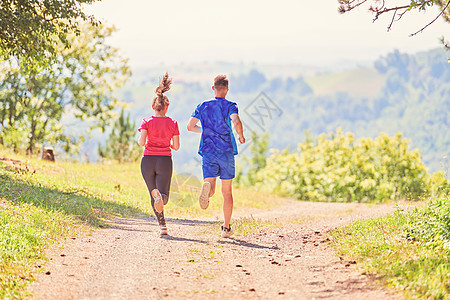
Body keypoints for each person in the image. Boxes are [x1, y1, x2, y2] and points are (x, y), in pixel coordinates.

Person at [187, 74, 245, 238]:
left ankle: (207, 190)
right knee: (226, 191)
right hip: (226, 151)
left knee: (210, 184)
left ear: (213, 88)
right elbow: (236, 121)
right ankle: (226, 228)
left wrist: (203, 130)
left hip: (208, 151)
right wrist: (240, 136)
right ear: (227, 89)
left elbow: (190, 126)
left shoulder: (203, 105)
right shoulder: (230, 105)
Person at [138, 72, 180, 236]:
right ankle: (160, 199)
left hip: (147, 160)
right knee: (164, 197)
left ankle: (162, 226)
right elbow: (176, 146)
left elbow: (141, 142)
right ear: (167, 107)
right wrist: (166, 143)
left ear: (153, 107)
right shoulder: (173, 123)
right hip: (164, 161)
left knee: (153, 195)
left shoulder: (146, 122)